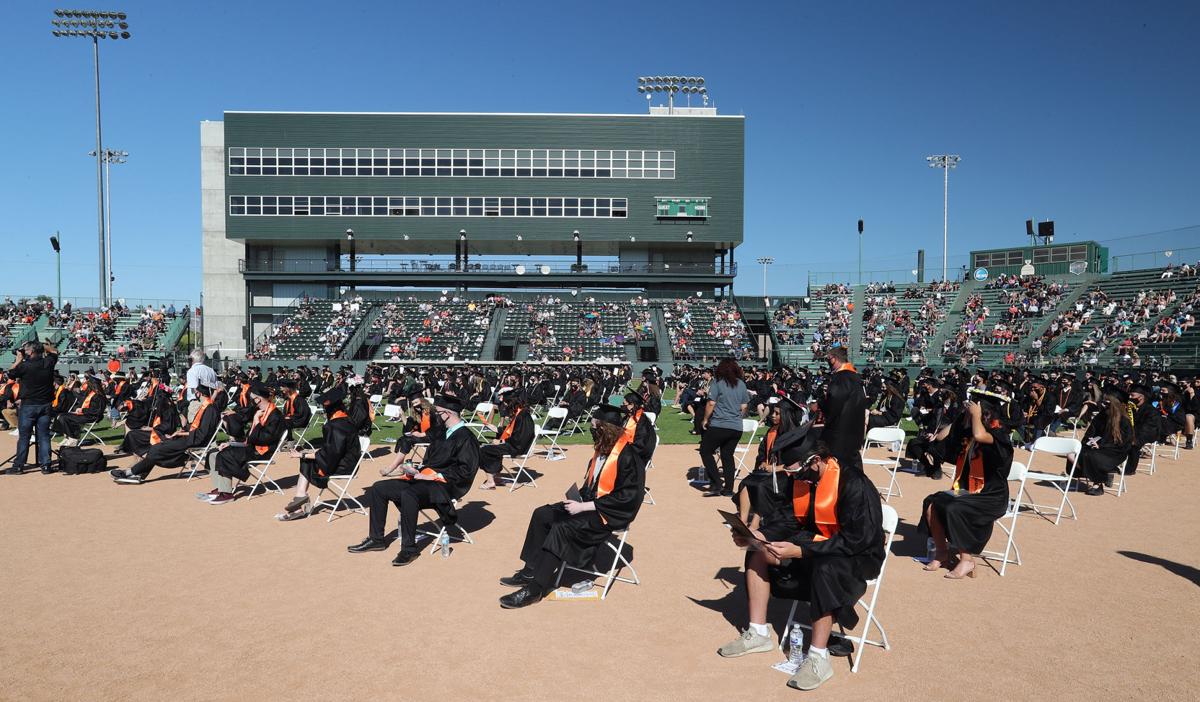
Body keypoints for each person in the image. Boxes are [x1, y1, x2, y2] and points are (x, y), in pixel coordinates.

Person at [718, 441, 884, 692]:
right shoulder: (805, 480)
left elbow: (858, 539)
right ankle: (758, 633)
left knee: (825, 568)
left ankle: (818, 658)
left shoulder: (854, 484)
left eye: (796, 471)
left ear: (815, 460)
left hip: (856, 556)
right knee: (758, 552)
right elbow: (789, 518)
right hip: (816, 544)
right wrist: (758, 535)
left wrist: (801, 551)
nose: (793, 476)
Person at [496, 404, 646, 608]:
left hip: (608, 515)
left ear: (606, 429)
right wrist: (578, 498)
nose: (592, 430)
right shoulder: (603, 449)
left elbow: (628, 497)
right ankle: (530, 570)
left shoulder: (628, 457)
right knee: (542, 514)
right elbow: (593, 486)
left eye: (595, 427)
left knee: (561, 528)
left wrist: (584, 507)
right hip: (588, 505)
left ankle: (535, 589)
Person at [348, 394, 480, 566]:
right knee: (379, 488)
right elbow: (431, 461)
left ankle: (409, 549)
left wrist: (432, 476)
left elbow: (466, 472)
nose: (436, 415)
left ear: (448, 413)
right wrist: (415, 469)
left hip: (445, 486)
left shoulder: (467, 438)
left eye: (438, 413)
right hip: (425, 479)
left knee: (409, 494)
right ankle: (376, 539)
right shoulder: (442, 433)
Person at [919, 391, 1013, 579]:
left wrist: (975, 414)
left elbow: (980, 435)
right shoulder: (968, 435)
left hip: (991, 495)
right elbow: (941, 437)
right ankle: (942, 554)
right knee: (932, 504)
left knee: (954, 508)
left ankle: (967, 560)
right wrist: (962, 416)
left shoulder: (998, 434)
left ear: (985, 414)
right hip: (967, 490)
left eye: (975, 411)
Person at [276, 386, 364, 520]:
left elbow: (330, 455)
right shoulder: (347, 420)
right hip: (350, 462)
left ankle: (300, 500)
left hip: (344, 466)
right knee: (308, 459)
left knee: (307, 461)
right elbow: (334, 449)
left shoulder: (335, 426)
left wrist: (303, 455)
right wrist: (311, 453)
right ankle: (300, 499)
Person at [110, 383, 222, 484]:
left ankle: (130, 473)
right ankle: (136, 474)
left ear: (200, 393)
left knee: (156, 449)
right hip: (191, 438)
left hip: (195, 441)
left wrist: (181, 434)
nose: (195, 394)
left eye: (196, 392)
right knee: (156, 448)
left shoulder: (210, 409)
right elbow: (198, 429)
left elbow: (202, 434)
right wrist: (182, 432)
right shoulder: (207, 406)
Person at [197, 382, 286, 505]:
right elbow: (250, 437)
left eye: (252, 399)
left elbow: (265, 439)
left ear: (258, 399)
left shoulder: (275, 416)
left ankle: (227, 494)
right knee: (213, 453)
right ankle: (220, 488)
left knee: (224, 454)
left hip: (261, 451)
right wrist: (232, 444)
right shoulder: (261, 411)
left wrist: (256, 421)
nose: (251, 401)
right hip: (251, 447)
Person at [5, 341, 59, 475]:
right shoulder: (48, 362)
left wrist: (18, 359)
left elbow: (10, 374)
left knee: (24, 437)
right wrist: (40, 345)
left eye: (26, 350)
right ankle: (46, 466)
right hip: (45, 405)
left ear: (30, 352)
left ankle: (19, 466)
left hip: (28, 405)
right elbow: (54, 351)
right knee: (44, 436)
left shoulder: (24, 365)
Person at [700, 358, 749, 497]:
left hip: (720, 424)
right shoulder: (741, 384)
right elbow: (744, 407)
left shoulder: (718, 383)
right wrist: (736, 417)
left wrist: (705, 419)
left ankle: (716, 483)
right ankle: (728, 489)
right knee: (727, 455)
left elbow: (711, 403)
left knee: (705, 451)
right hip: (736, 427)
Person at [1071, 388, 1134, 495]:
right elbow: (1090, 433)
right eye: (1103, 402)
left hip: (1114, 452)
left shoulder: (1124, 421)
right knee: (1072, 455)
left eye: (1107, 403)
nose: (1104, 405)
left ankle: (1098, 484)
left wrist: (1101, 445)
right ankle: (1104, 475)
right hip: (1095, 448)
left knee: (1090, 456)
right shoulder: (1100, 417)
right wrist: (1089, 442)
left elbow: (1123, 443)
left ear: (1115, 404)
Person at [818, 345, 867, 471]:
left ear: (833, 358)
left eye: (828, 359)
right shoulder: (855, 377)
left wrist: (821, 402)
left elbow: (833, 404)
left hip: (839, 435)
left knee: (838, 470)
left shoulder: (841, 377)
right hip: (854, 433)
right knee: (854, 470)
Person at [477, 388, 534, 490]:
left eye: (506, 403)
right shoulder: (520, 413)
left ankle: (490, 481)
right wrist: (496, 429)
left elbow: (519, 438)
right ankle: (497, 478)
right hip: (516, 445)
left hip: (519, 447)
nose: (506, 406)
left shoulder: (522, 416)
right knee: (493, 448)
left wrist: (501, 441)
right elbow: (514, 432)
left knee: (484, 450)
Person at [52, 375, 107, 445]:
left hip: (91, 417)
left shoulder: (99, 396)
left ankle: (73, 438)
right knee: (60, 415)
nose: (86, 384)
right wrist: (72, 391)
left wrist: (82, 410)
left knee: (64, 417)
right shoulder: (90, 393)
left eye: (88, 383)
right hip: (85, 414)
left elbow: (97, 411)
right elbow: (81, 399)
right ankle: (67, 437)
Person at [621, 390, 657, 462]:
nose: (622, 406)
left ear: (632, 405)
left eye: (624, 404)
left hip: (636, 459)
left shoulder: (642, 423)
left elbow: (640, 445)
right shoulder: (628, 418)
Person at [184, 349, 218, 421]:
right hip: (210, 401)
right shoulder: (211, 370)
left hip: (197, 402)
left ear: (193, 359)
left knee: (193, 423)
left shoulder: (192, 371)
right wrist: (211, 400)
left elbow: (194, 389)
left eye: (190, 359)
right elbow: (216, 389)